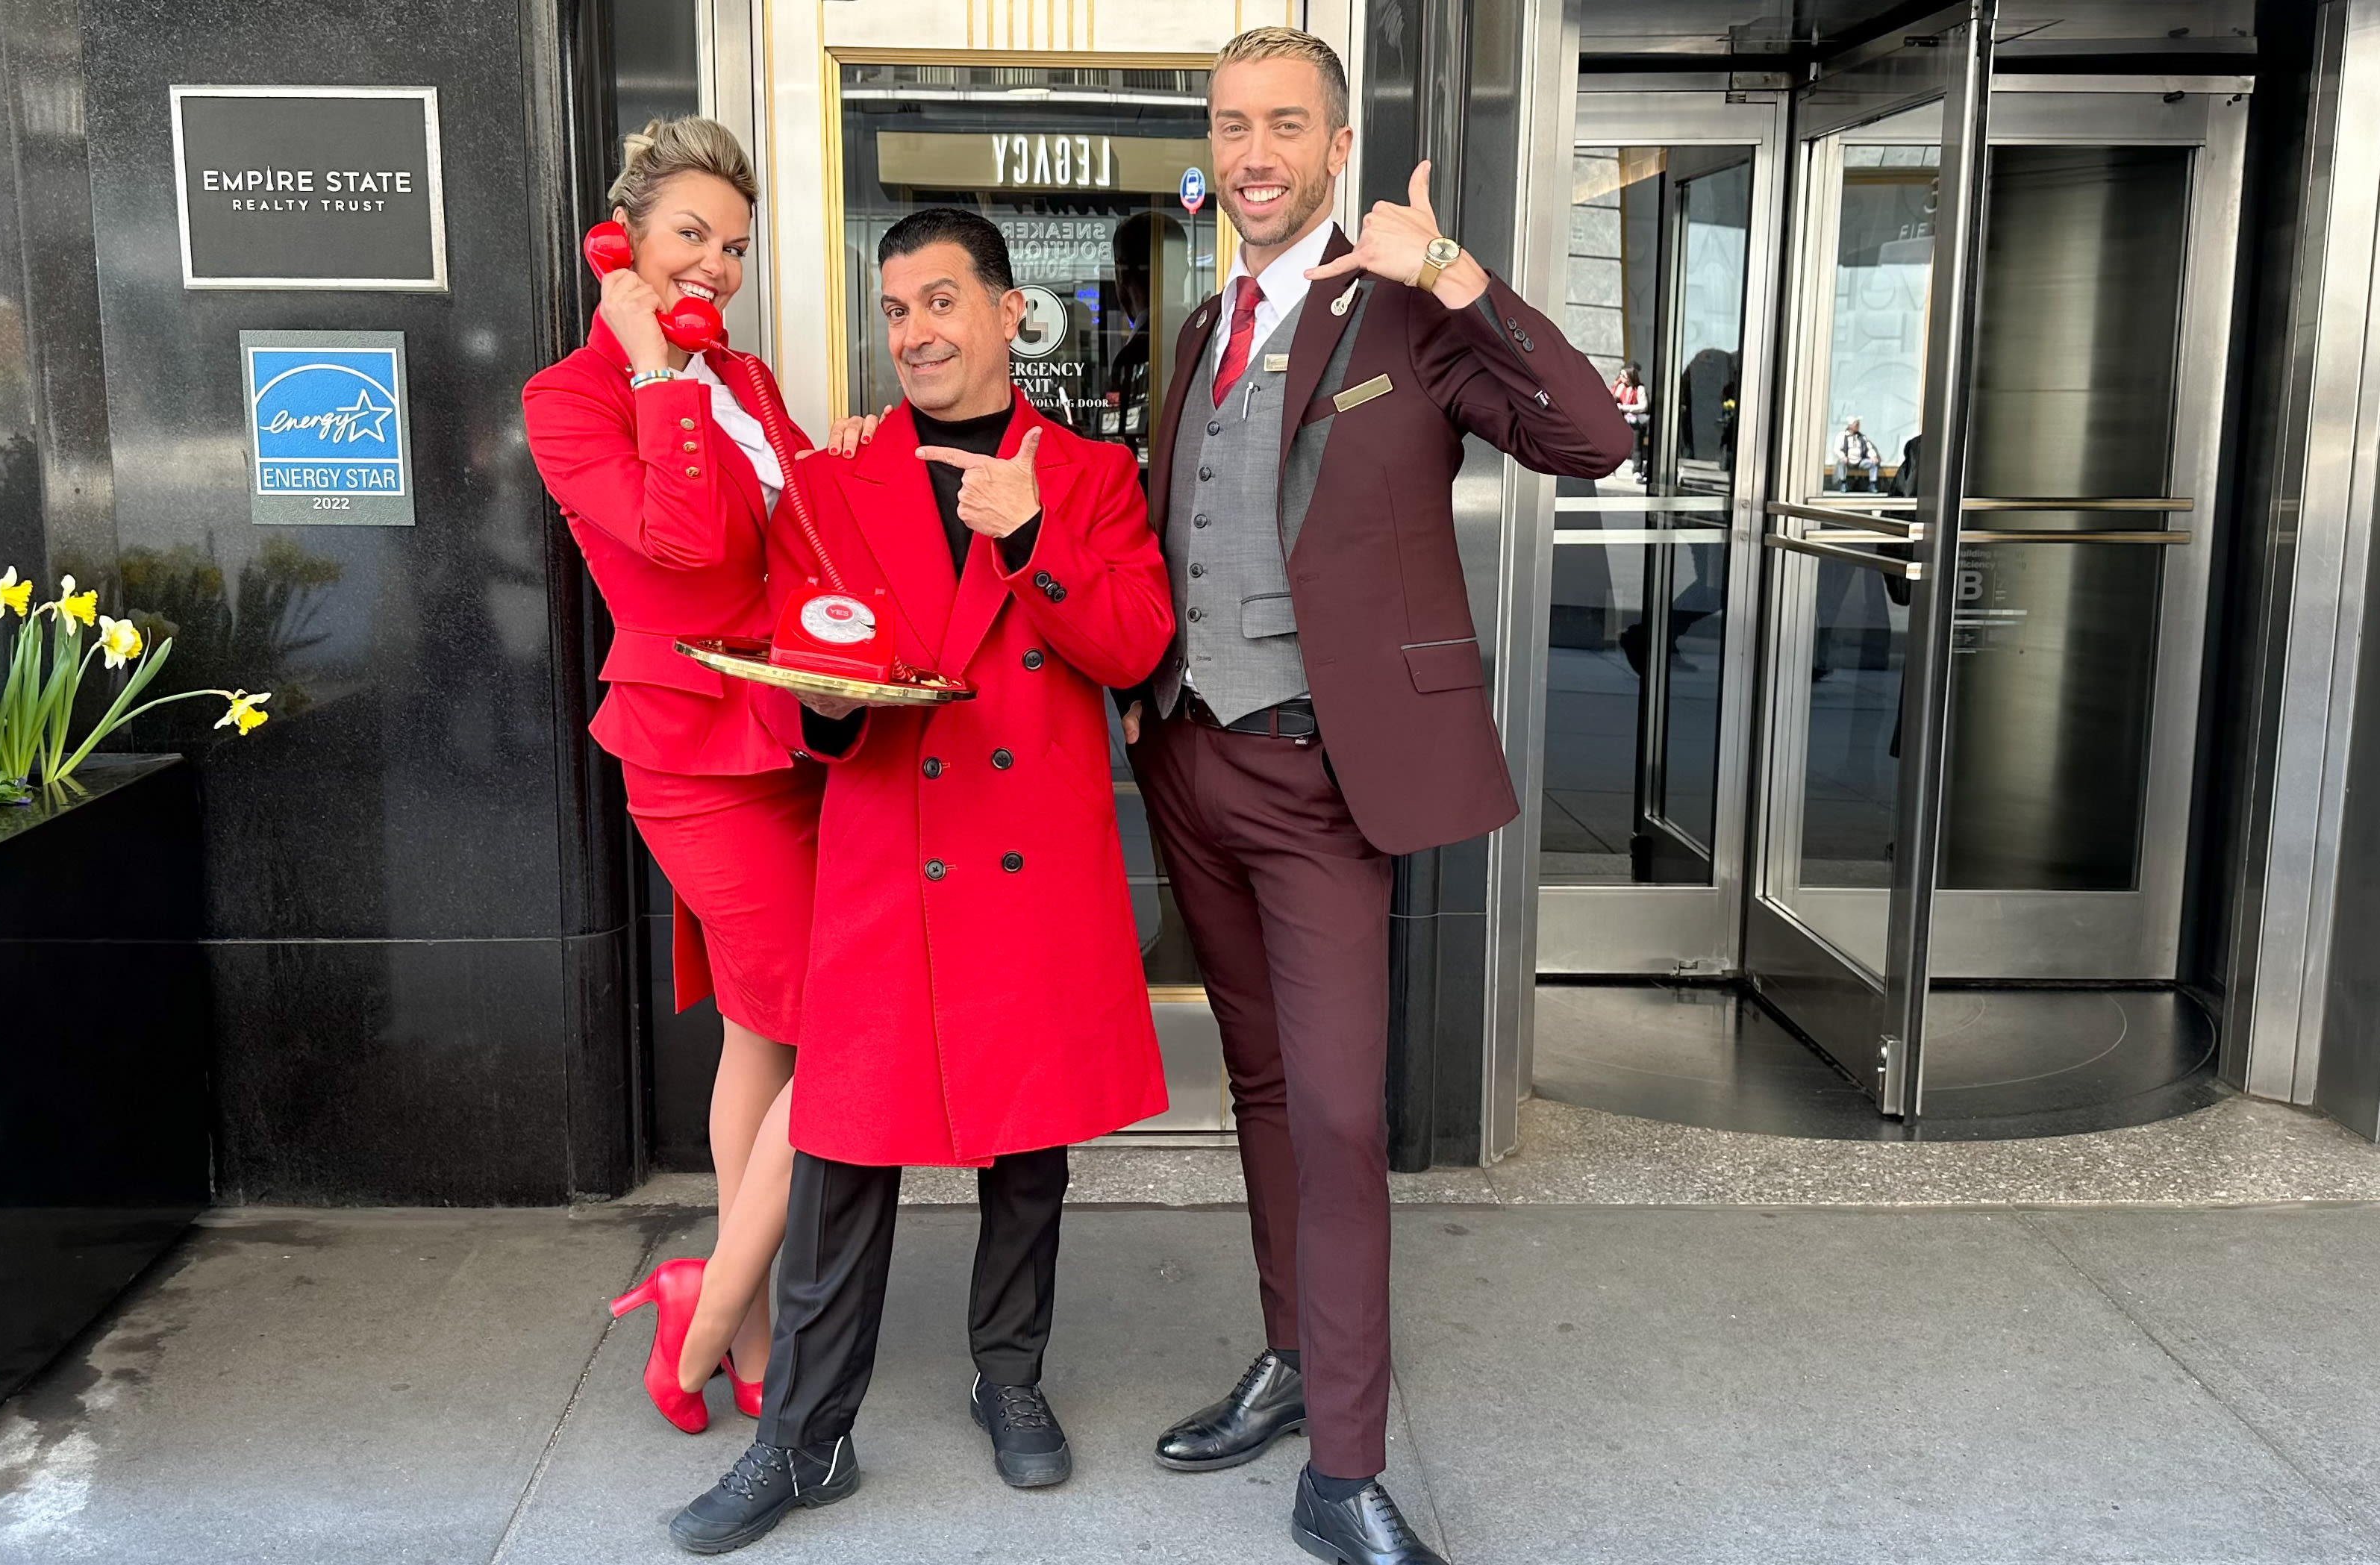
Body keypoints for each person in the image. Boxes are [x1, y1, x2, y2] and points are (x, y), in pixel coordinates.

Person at [1116, 28, 1631, 1565]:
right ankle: (1289, 1358)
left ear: (1336, 148)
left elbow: (1591, 439)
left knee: (1339, 1113)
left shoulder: (1409, 308)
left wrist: (1457, 271)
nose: (1253, 151)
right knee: (1263, 1089)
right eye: (1230, 125)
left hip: (1324, 779)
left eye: (1284, 125)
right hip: (1190, 759)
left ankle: (1343, 1464)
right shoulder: (1202, 322)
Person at [666, 207, 1175, 1555]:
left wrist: (1027, 538)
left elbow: (1130, 641)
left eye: (942, 302)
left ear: (1011, 315)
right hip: (890, 850)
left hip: (1029, 854)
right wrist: (825, 712)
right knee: (839, 1148)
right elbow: (804, 666)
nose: (916, 334)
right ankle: (804, 1439)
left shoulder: (1088, 475)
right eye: (894, 311)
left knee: (1027, 1147)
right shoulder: (837, 481)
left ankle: (1008, 1378)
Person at [522, 117, 871, 1437]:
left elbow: (786, 543)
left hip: (794, 739)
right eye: (689, 236)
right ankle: (708, 1302)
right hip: (694, 759)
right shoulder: (570, 398)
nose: (717, 265)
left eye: (733, 244)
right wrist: (657, 370)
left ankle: (748, 1308)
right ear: (617, 242)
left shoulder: (752, 379)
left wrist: (836, 462)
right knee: (837, 1033)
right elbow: (677, 547)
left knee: (759, 1028)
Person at [1835, 416, 1881, 491]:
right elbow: (1837, 449)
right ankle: (1843, 483)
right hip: (1848, 461)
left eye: (1858, 424)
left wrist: (1873, 456)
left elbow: (1869, 448)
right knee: (1841, 462)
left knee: (1874, 463)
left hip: (1860, 461)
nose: (1858, 426)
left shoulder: (1862, 437)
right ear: (1850, 426)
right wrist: (1843, 456)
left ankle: (1872, 484)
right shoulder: (1842, 436)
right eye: (1856, 424)